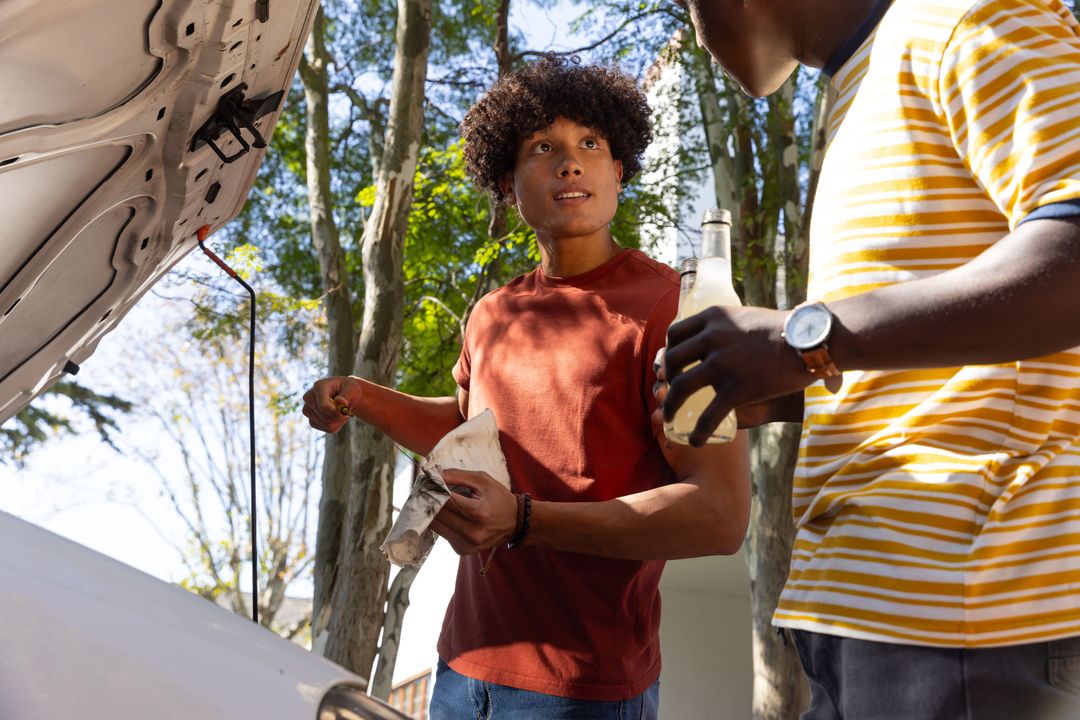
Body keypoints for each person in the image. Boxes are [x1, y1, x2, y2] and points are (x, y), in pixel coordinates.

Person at [661, 0, 1080, 716]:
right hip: (863, 616)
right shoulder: (860, 83)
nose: (698, 32)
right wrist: (791, 383)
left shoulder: (964, 18)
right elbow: (957, 355)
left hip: (965, 608)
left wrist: (805, 342)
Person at [302, 56, 750, 719]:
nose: (570, 164)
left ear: (619, 170)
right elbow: (467, 429)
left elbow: (721, 515)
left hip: (585, 686)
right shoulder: (494, 314)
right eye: (544, 148)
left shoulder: (673, 309)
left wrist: (524, 522)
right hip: (461, 666)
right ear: (509, 184)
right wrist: (363, 397)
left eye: (590, 145)